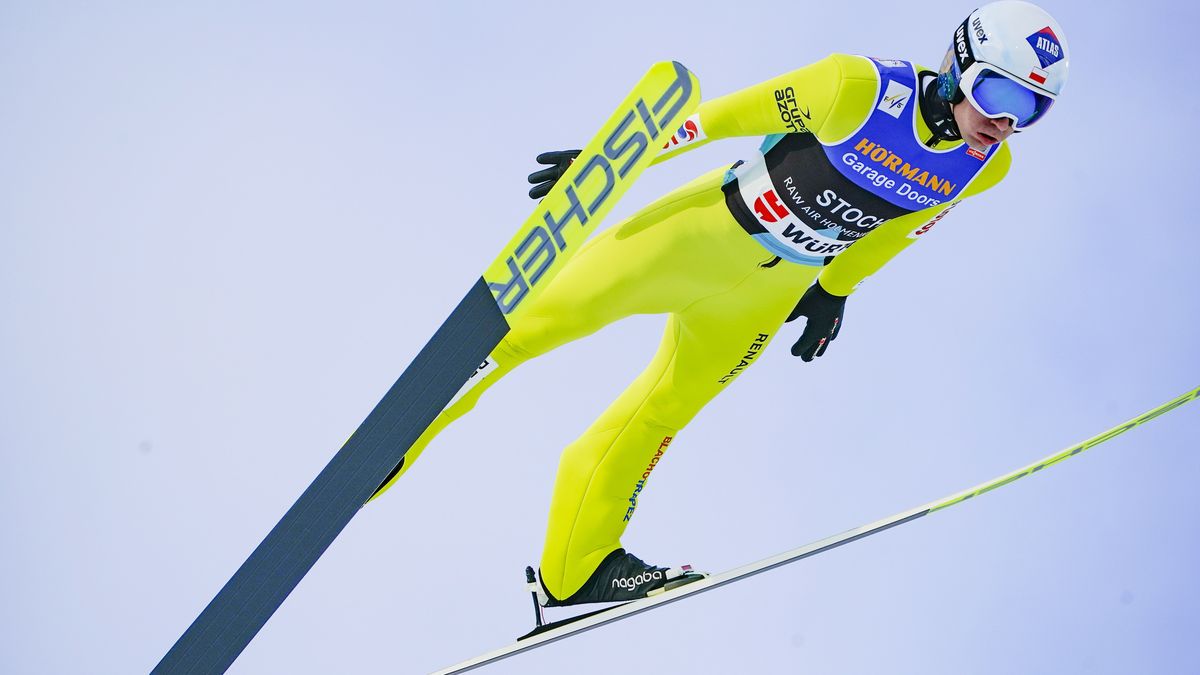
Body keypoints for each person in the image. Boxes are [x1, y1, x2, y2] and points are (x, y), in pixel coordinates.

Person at [371, 0, 1070, 607]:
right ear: (956, 64)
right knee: (526, 329)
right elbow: (714, 121)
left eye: (1031, 110)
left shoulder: (985, 166)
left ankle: (575, 569)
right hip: (698, 234)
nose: (1005, 122)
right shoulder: (856, 87)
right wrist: (609, 163)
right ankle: (389, 448)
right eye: (997, 94)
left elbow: (897, 230)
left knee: (658, 415)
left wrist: (834, 292)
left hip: (766, 296)